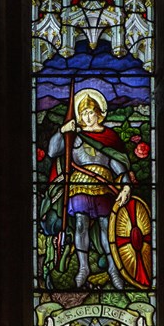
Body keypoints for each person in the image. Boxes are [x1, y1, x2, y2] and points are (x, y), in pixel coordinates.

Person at [48, 88, 130, 289]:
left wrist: (126, 185)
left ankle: (113, 268)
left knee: (106, 227)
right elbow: (52, 151)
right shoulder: (74, 136)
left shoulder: (109, 136)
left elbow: (116, 163)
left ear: (100, 114)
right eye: (83, 113)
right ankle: (83, 267)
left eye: (91, 112)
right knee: (81, 224)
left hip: (104, 185)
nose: (88, 116)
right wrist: (62, 131)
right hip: (79, 185)